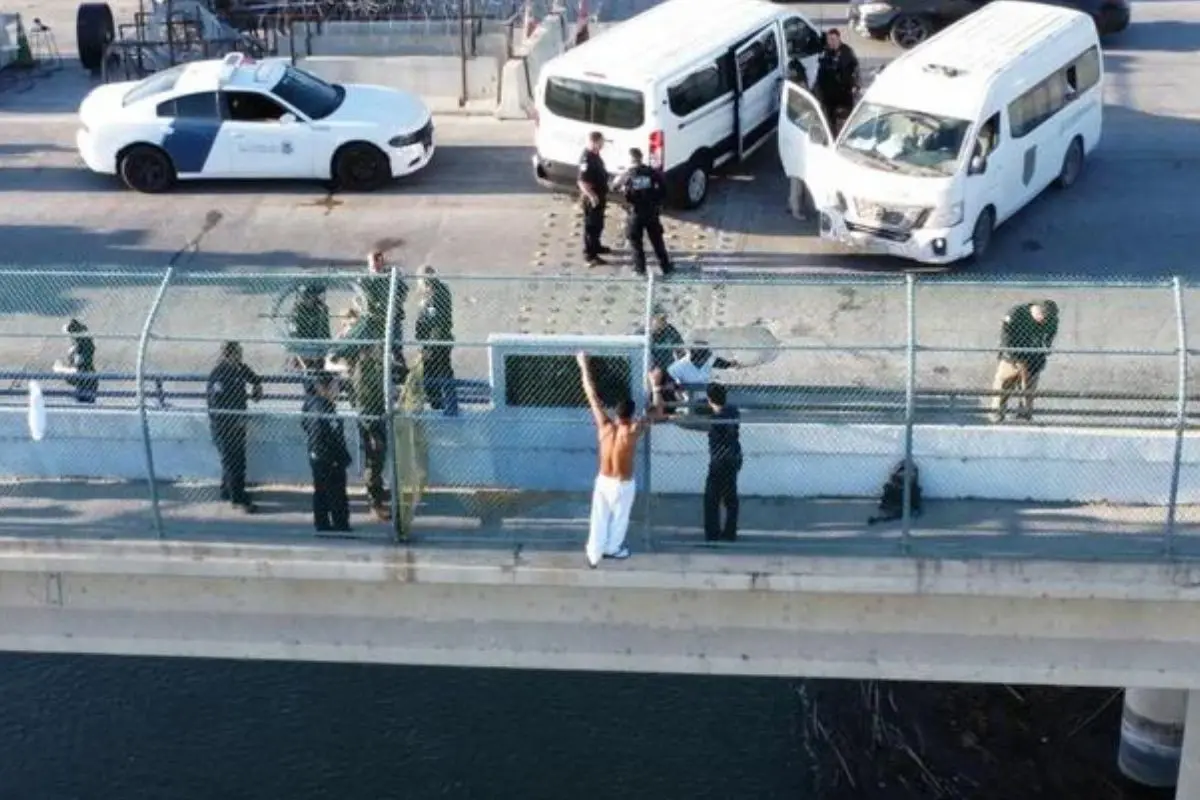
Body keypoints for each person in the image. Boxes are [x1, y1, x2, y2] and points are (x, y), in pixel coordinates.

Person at [577, 351, 664, 568]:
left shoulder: (604, 426)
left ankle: (593, 554)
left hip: (604, 480)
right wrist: (656, 385)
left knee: (598, 516)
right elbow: (659, 411)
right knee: (620, 517)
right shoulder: (633, 429)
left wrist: (583, 366)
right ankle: (613, 548)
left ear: (616, 413)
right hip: (623, 483)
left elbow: (591, 394)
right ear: (632, 414)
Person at [205, 340, 262, 512]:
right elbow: (216, 405)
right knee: (234, 463)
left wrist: (257, 385)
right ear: (229, 355)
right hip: (225, 427)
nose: (241, 357)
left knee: (232, 461)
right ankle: (238, 499)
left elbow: (253, 376)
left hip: (237, 425)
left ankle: (227, 490)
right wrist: (233, 419)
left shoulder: (237, 369)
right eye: (238, 354)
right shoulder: (220, 374)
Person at [991, 300, 1059, 423]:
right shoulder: (1017, 313)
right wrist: (1013, 356)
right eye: (1043, 318)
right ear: (1037, 311)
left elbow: (1049, 338)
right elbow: (1006, 335)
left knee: (1028, 387)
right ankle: (998, 412)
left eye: (1048, 319)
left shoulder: (1052, 321)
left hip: (1033, 357)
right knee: (1004, 383)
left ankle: (1024, 413)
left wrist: (1045, 348)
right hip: (1012, 354)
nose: (1045, 322)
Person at [302, 371, 353, 532]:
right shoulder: (319, 407)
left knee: (324, 491)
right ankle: (337, 523)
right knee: (333, 492)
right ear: (323, 387)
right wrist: (331, 458)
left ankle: (325, 523)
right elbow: (318, 434)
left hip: (327, 456)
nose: (337, 390)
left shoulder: (323, 404)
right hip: (326, 458)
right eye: (334, 386)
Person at [348, 341, 391, 521]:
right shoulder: (362, 371)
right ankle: (375, 502)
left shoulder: (372, 366)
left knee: (379, 459)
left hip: (377, 416)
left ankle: (378, 491)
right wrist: (371, 431)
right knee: (373, 461)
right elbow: (362, 404)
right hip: (370, 421)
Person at [613, 147, 672, 277]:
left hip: (635, 213)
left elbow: (614, 188)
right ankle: (666, 266)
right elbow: (664, 189)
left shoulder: (627, 175)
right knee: (657, 241)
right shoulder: (652, 172)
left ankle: (640, 269)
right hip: (651, 212)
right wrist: (657, 202)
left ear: (630, 160)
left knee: (636, 242)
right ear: (641, 158)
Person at [356, 250, 409, 382]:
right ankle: (379, 378)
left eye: (377, 262)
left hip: (392, 319)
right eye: (372, 263)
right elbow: (359, 297)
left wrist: (395, 305)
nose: (375, 266)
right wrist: (364, 307)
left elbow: (403, 291)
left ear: (382, 262)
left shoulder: (390, 275)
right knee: (375, 350)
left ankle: (403, 379)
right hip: (374, 321)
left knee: (395, 348)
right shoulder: (365, 279)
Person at [414, 265, 458, 415]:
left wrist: (429, 348)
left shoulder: (435, 295)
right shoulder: (434, 292)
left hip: (436, 342)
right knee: (443, 371)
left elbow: (436, 324)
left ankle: (439, 406)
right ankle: (445, 404)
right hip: (436, 340)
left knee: (435, 372)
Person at [702, 382, 742, 542]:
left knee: (711, 498)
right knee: (730, 497)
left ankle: (713, 533)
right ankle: (730, 533)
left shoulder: (715, 419)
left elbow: (699, 425)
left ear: (710, 399)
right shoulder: (733, 411)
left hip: (719, 460)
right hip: (734, 456)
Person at [577, 131, 612, 267]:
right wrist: (592, 196)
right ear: (595, 142)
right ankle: (590, 255)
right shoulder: (587, 158)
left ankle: (597, 246)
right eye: (602, 142)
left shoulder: (595, 155)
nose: (603, 145)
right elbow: (582, 182)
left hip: (599, 195)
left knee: (598, 224)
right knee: (591, 226)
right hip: (592, 198)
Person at [667, 342, 741, 405]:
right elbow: (673, 388)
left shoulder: (708, 359)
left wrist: (734, 363)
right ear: (694, 357)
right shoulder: (677, 367)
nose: (706, 358)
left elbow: (724, 364)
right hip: (690, 399)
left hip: (708, 398)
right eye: (704, 357)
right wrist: (682, 401)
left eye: (707, 356)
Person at [815, 29, 859, 134]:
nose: (831, 42)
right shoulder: (825, 53)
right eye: (829, 40)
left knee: (845, 119)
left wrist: (855, 85)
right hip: (828, 94)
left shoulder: (847, 52)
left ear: (839, 38)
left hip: (844, 93)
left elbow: (856, 70)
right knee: (829, 120)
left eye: (833, 39)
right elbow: (820, 74)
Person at [285, 283, 331, 373]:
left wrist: (323, 347)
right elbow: (292, 329)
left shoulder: (321, 309)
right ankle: (304, 365)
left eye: (310, 296)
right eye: (306, 297)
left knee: (319, 370)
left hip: (318, 344)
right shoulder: (297, 310)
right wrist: (297, 346)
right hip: (302, 345)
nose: (307, 299)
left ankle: (317, 369)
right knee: (306, 368)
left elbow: (325, 331)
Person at [55, 318, 98, 404]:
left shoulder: (84, 346)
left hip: (87, 385)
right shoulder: (76, 347)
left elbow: (78, 370)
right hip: (82, 384)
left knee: (85, 406)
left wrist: (60, 369)